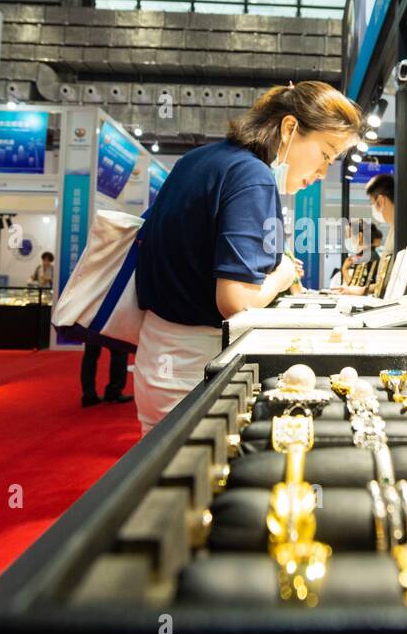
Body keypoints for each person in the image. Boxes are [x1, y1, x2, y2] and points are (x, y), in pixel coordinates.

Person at [133, 80, 362, 434]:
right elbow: (235, 302)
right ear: (289, 129)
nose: (321, 173)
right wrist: (283, 275)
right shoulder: (252, 176)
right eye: (325, 155)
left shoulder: (201, 159)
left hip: (160, 357)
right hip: (193, 365)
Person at [81, 337, 133, 407]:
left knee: (90, 355)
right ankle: (114, 391)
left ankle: (88, 394)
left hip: (92, 327)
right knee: (120, 351)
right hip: (109, 327)